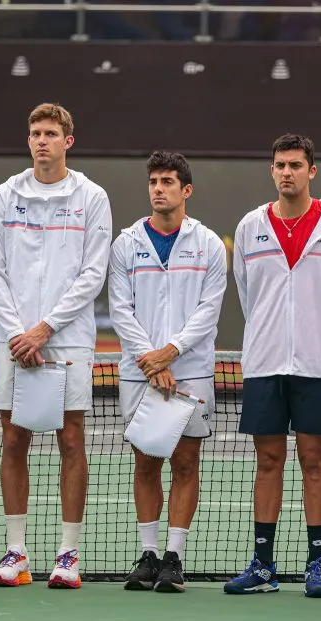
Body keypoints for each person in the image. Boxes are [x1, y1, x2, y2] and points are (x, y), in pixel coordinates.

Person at [225, 133, 321, 598]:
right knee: (267, 461)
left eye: (296, 165)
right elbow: (249, 295)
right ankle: (263, 567)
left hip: (318, 366)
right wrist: (275, 336)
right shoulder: (250, 226)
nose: (288, 172)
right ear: (272, 171)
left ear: (312, 171)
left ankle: (316, 565)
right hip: (265, 363)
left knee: (314, 461)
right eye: (280, 165)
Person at [0, 103, 113, 589]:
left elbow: (92, 274)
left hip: (69, 339)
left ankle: (68, 555)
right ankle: (16, 554)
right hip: (12, 339)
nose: (41, 140)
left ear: (68, 141)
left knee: (71, 441)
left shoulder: (92, 197)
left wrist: (45, 329)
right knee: (14, 439)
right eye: (35, 132)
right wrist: (19, 332)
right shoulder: (4, 195)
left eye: (51, 133)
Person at [108, 151, 227, 593]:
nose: (159, 188)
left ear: (186, 190)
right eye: (154, 181)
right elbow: (120, 308)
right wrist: (151, 359)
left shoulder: (210, 245)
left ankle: (174, 558)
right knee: (145, 461)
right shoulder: (125, 243)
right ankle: (149, 555)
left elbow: (208, 311)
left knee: (185, 462)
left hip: (190, 370)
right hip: (140, 370)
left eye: (168, 182)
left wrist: (170, 353)